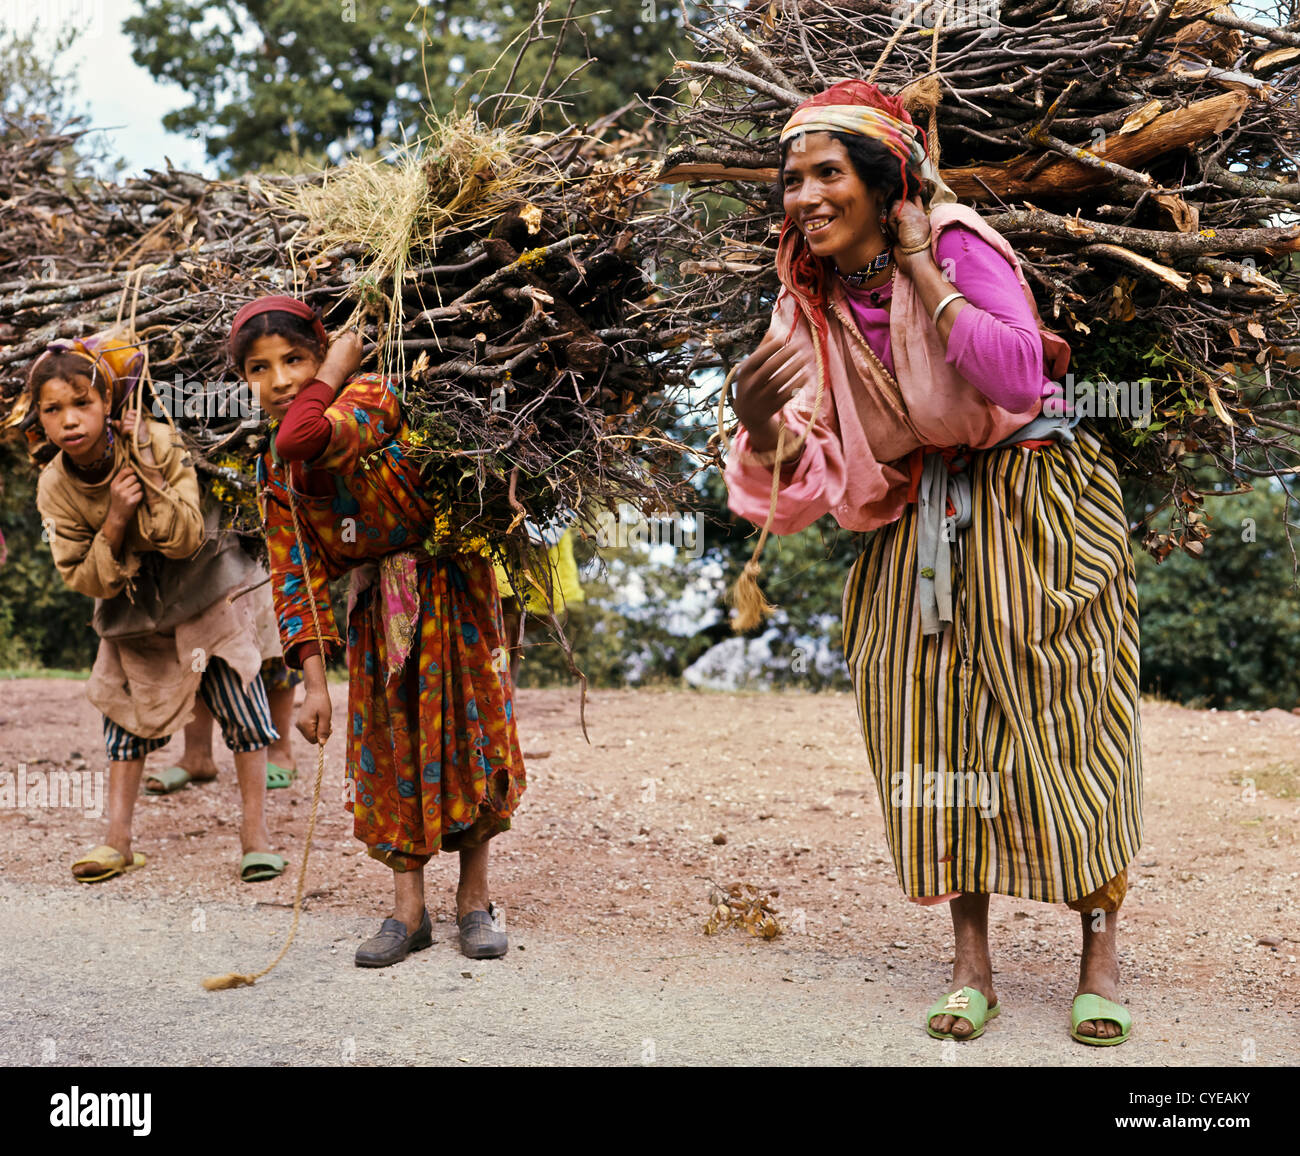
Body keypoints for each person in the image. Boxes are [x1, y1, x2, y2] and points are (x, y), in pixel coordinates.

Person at [725, 81, 1142, 1046]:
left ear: (882, 184)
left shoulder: (953, 241)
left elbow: (1017, 374)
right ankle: (970, 965)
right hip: (911, 523)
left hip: (1032, 504)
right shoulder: (806, 297)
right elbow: (798, 481)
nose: (807, 197)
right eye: (793, 180)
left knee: (1065, 718)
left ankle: (1099, 949)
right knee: (927, 731)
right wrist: (755, 426)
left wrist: (922, 271)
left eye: (829, 174)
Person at [230, 294, 526, 964]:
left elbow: (304, 433)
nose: (279, 381)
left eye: (294, 360)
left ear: (325, 352)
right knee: (390, 751)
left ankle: (475, 900)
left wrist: (336, 367)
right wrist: (313, 685)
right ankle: (407, 911)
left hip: (455, 589)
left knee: (470, 736)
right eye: (258, 369)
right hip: (377, 616)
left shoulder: (369, 394)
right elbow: (294, 577)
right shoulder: (274, 473)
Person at [28, 330, 287, 884]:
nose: (70, 420)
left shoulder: (158, 443)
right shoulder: (54, 486)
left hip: (204, 593)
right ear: (41, 421)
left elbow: (185, 536)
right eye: (54, 410)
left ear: (108, 403)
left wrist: (144, 464)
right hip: (132, 612)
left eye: (82, 403)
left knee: (242, 709)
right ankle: (115, 840)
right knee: (124, 719)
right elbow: (81, 574)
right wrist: (117, 518)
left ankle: (255, 836)